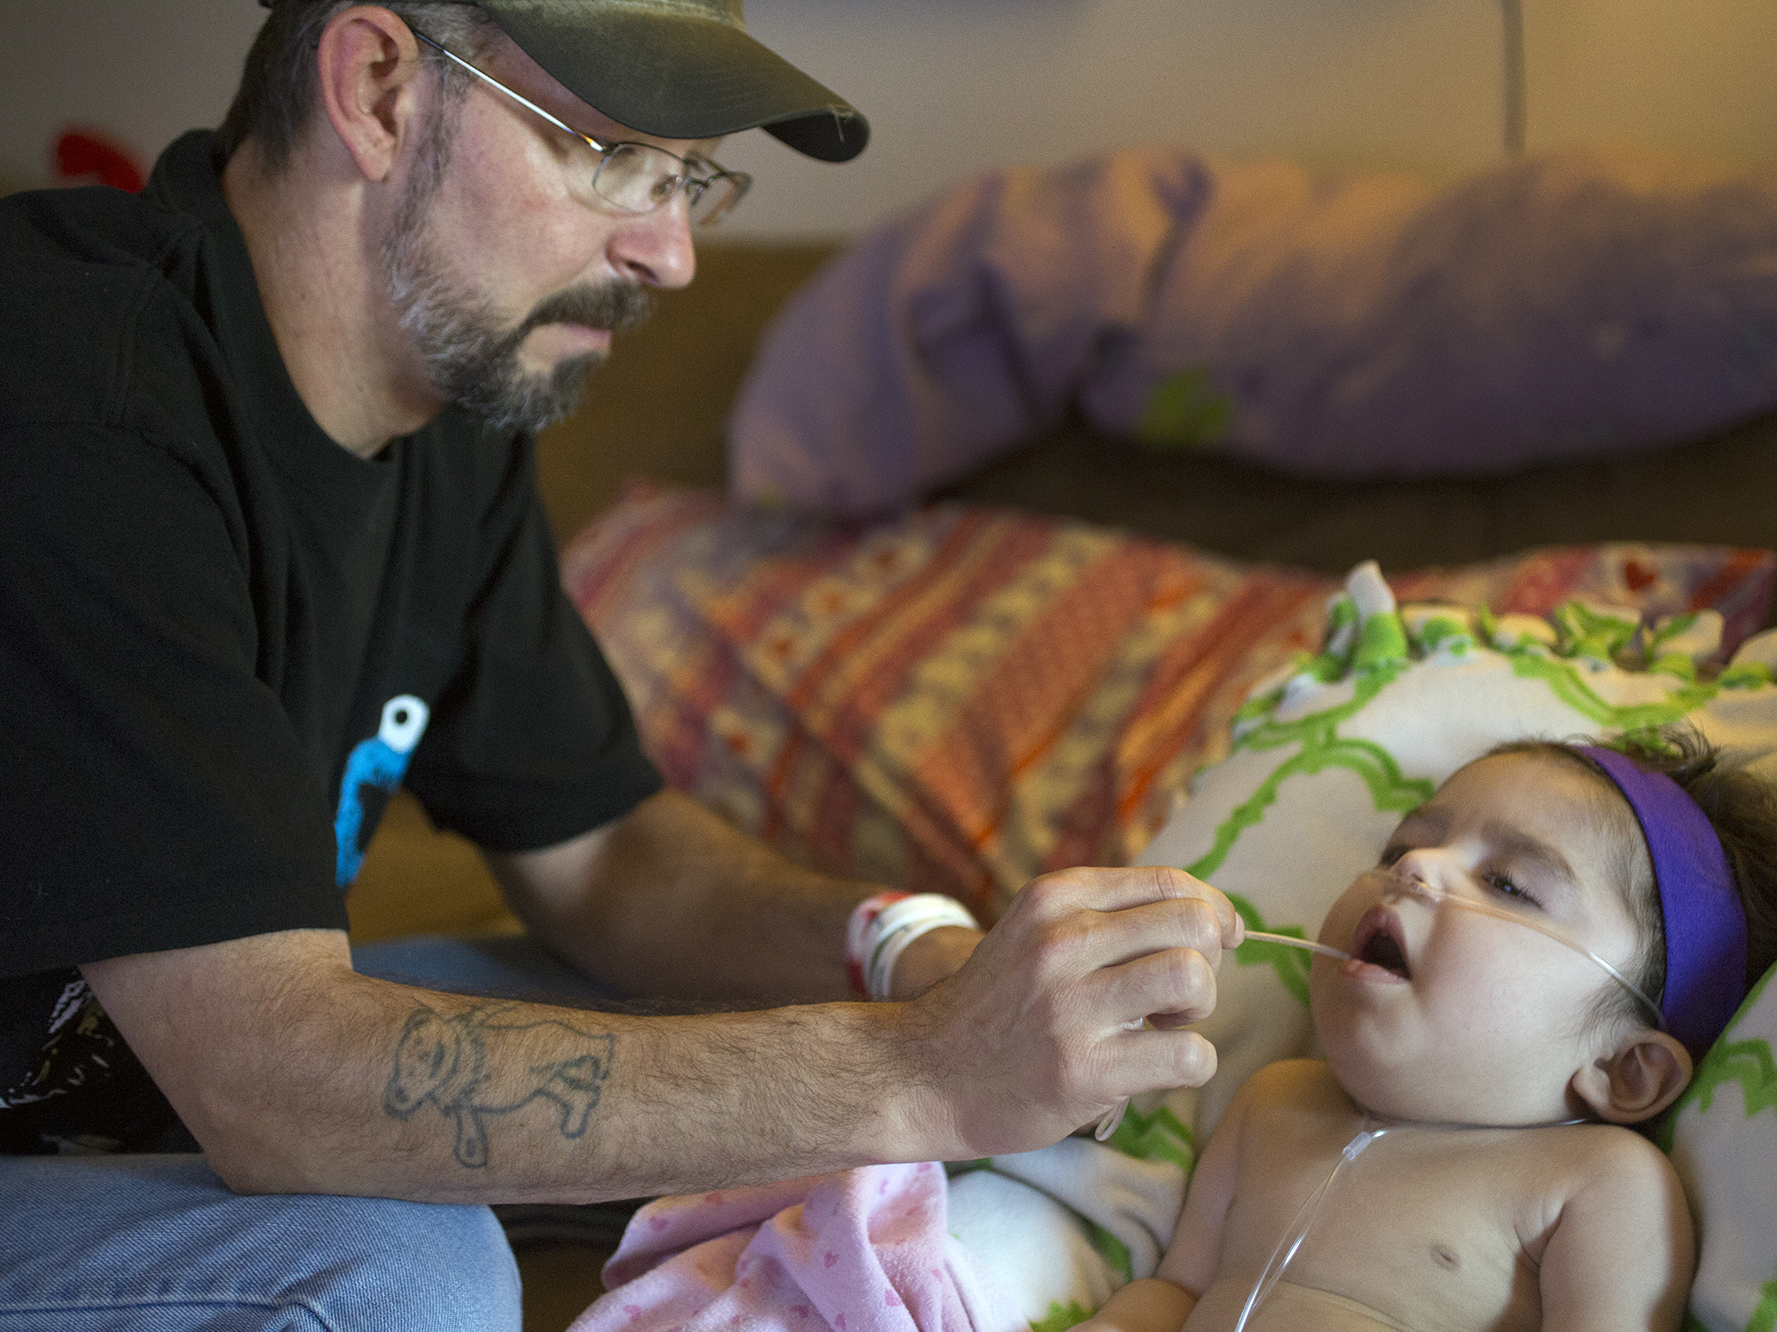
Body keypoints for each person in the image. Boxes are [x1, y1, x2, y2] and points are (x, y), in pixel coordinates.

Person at [0, 2, 1241, 1327]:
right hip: (129, 1102)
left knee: (701, 1020)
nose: (671, 254)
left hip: (138, 1079)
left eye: (686, 178)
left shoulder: (449, 391)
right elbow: (270, 1075)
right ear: (375, 89)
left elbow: (601, 852)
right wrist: (922, 1071)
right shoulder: (69, 386)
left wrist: (908, 954)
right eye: (609, 156)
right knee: (402, 1281)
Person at [1072, 729, 1777, 1332]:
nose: (1414, 867)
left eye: (1505, 883)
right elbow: (1176, 1293)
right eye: (1397, 847)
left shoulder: (1597, 1183)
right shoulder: (1272, 1103)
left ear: (1625, 1070)